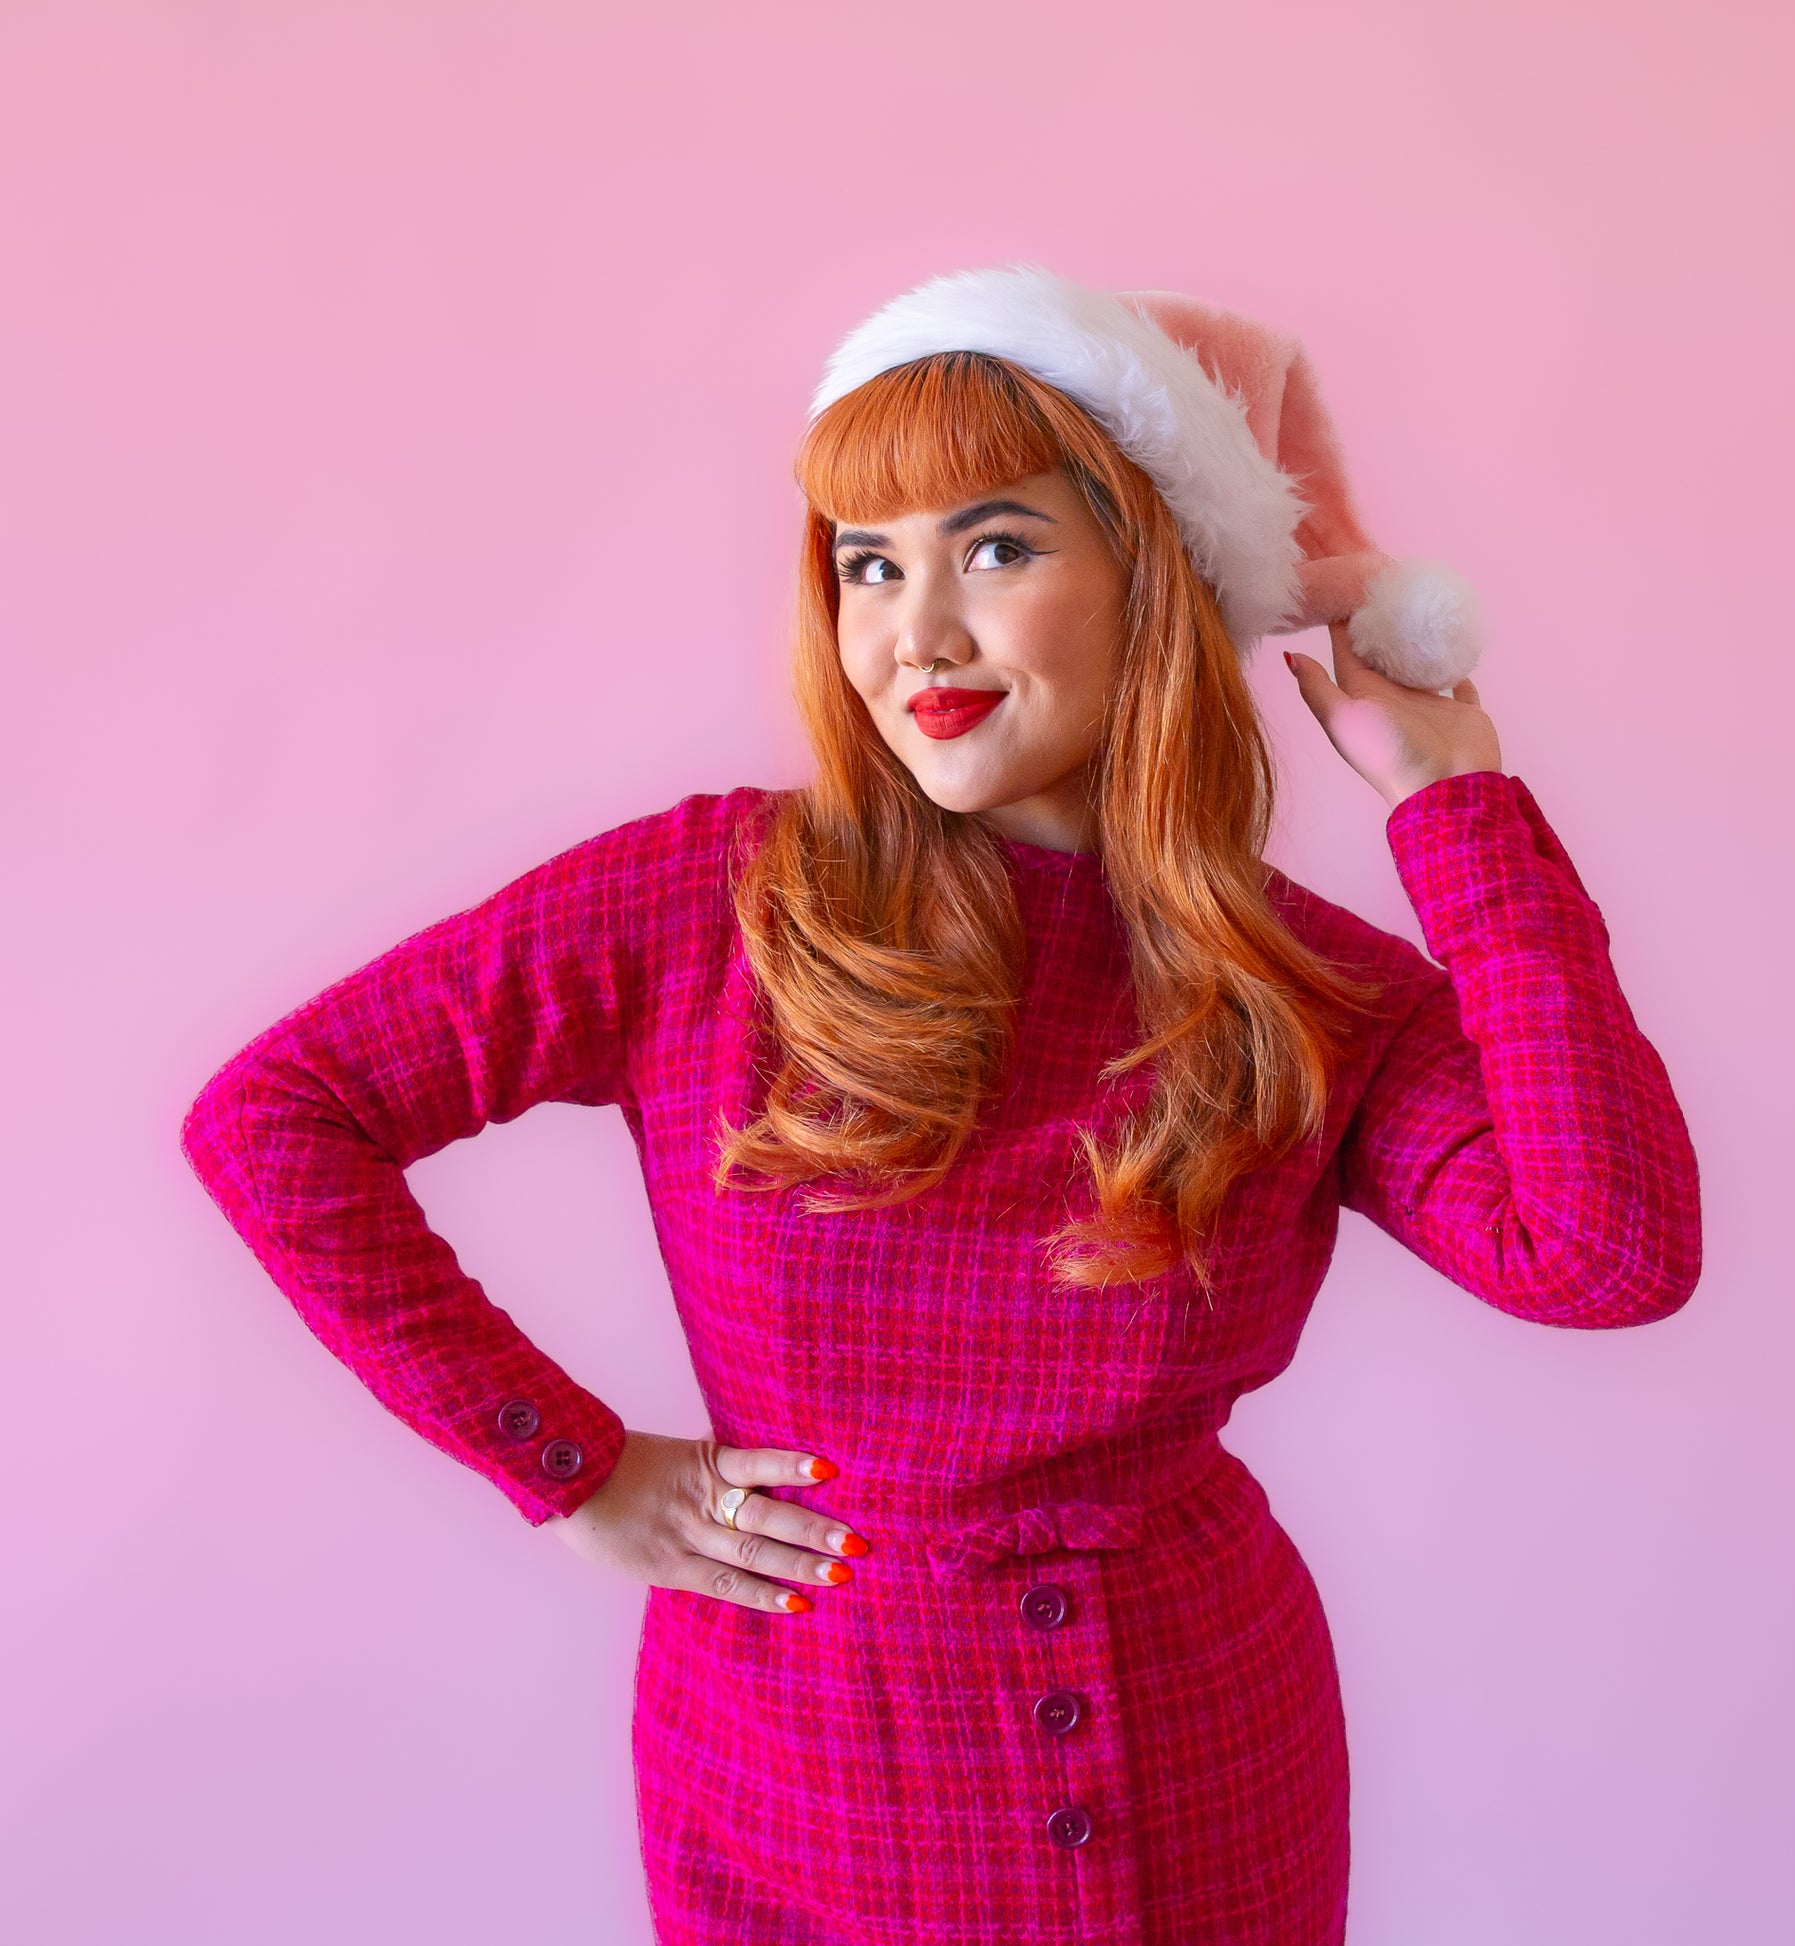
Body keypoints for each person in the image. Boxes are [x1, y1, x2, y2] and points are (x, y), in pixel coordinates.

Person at [181, 266, 1703, 1946]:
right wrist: (571, 1466)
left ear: (1153, 578)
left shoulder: (1303, 984)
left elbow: (1603, 1250)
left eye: (995, 547)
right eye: (866, 564)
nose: (917, 631)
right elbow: (278, 1112)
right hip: (805, 1767)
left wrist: (1458, 805)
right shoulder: (710, 902)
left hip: (1206, 1758)